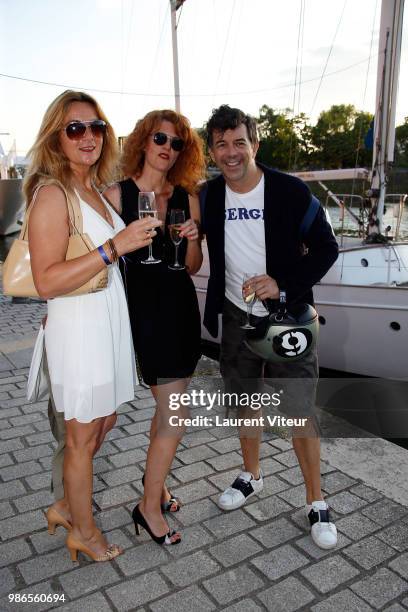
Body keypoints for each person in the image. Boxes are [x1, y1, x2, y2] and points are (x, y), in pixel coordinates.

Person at [26, 90, 161, 561]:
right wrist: (114, 247)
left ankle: (66, 503)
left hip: (106, 316)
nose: (89, 137)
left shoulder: (93, 189)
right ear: (55, 138)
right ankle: (84, 530)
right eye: (75, 128)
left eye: (96, 127)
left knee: (107, 417)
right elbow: (45, 281)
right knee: (81, 437)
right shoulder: (52, 193)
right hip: (80, 325)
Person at [201, 104, 339, 550]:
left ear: (254, 144)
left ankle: (316, 500)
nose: (231, 152)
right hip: (236, 317)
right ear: (212, 151)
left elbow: (327, 248)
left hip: (287, 320)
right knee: (244, 402)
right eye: (221, 144)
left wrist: (283, 284)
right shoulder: (208, 196)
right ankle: (252, 475)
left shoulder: (290, 192)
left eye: (239, 141)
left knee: (299, 411)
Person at [104, 109, 205, 545]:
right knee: (176, 412)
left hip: (180, 309)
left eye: (177, 142)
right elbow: (98, 260)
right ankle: (147, 507)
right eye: (160, 138)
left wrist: (194, 238)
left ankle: (157, 487)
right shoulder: (116, 196)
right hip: (143, 314)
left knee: (168, 407)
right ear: (144, 141)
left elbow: (191, 267)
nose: (168, 148)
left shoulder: (186, 196)